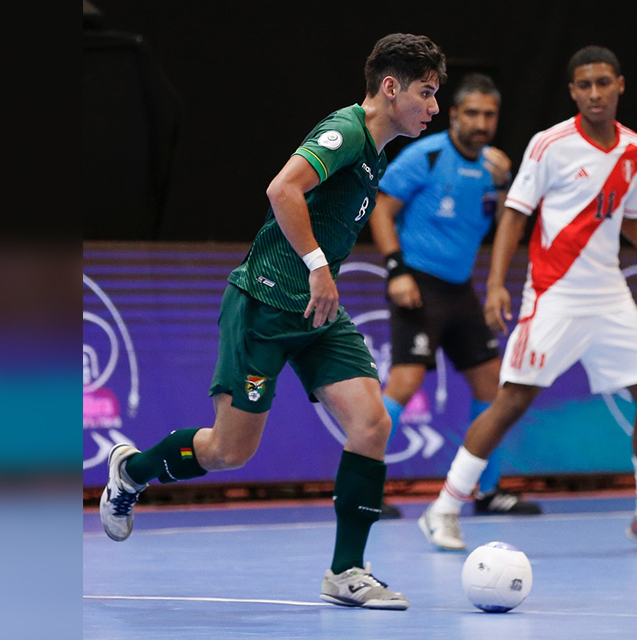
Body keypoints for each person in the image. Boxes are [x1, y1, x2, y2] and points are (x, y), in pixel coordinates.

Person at [97, 33, 449, 610]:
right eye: (427, 93)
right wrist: (317, 266)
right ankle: (132, 470)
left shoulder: (379, 149)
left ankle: (347, 571)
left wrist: (320, 280)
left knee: (371, 424)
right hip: (265, 304)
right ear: (391, 88)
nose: (434, 107)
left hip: (317, 312)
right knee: (229, 452)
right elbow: (282, 188)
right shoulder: (347, 132)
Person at [418, 45, 637, 553]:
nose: (595, 93)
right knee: (512, 400)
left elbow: (635, 223)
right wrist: (495, 283)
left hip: (609, 294)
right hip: (553, 295)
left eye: (604, 82)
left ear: (620, 85)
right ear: (573, 91)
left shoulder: (636, 150)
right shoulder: (549, 144)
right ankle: (443, 508)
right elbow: (515, 213)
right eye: (584, 85)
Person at [368, 73, 542, 517]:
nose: (481, 123)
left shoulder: (494, 167)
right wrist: (396, 269)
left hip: (460, 287)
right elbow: (382, 210)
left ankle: (486, 492)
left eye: (489, 115)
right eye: (473, 113)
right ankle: (362, 488)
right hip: (418, 283)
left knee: (493, 386)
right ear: (454, 115)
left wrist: (507, 187)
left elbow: (508, 227)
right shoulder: (424, 156)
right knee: (405, 383)